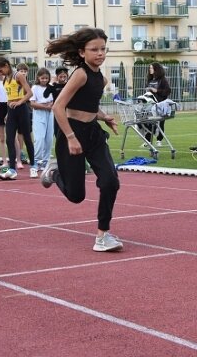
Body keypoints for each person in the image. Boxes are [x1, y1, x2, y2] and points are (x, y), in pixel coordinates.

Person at [40, 28, 123, 252]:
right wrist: (70, 137)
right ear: (82, 52)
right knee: (76, 196)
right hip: (72, 133)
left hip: (93, 134)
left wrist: (104, 117)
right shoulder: (80, 74)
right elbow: (58, 107)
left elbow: (88, 107)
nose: (100, 53)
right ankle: (53, 172)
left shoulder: (101, 78)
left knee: (110, 181)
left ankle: (102, 236)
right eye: (94, 49)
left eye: (103, 49)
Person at [0, 57, 35, 179]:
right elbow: (9, 97)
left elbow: (29, 93)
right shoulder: (6, 79)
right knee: (9, 139)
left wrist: (20, 102)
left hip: (22, 110)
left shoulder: (18, 75)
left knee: (27, 138)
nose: (0, 73)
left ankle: (33, 166)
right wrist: (7, 112)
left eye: (1, 70)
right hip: (11, 111)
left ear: (6, 65)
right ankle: (12, 169)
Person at [29, 67, 54, 176]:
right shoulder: (34, 88)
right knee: (39, 138)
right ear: (38, 78)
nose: (44, 80)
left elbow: (55, 100)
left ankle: (45, 161)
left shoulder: (51, 87)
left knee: (49, 138)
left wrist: (51, 105)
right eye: (42, 78)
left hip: (50, 114)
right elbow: (33, 104)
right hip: (39, 114)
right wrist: (45, 106)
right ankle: (36, 162)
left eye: (46, 78)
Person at [144, 62, 171, 146]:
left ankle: (159, 140)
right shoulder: (150, 80)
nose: (150, 70)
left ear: (156, 69)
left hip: (159, 105)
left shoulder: (163, 80)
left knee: (160, 122)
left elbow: (167, 91)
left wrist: (157, 91)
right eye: (150, 68)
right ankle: (148, 141)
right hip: (150, 104)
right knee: (148, 122)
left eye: (151, 68)